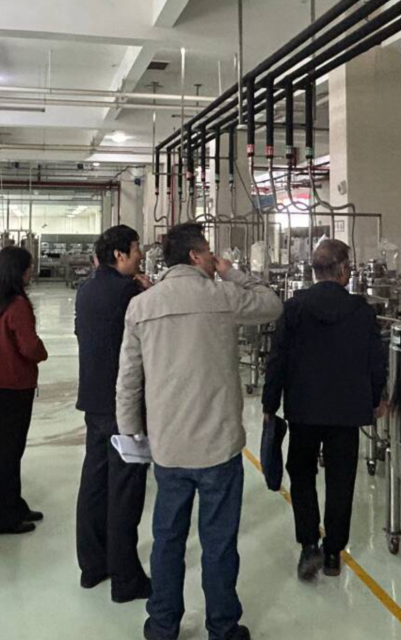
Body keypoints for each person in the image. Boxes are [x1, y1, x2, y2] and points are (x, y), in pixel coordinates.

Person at [117, 222, 282, 640]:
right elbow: (272, 304)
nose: (214, 258)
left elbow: (129, 378)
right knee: (219, 543)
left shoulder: (142, 305)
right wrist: (232, 272)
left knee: (167, 540)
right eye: (209, 252)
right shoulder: (222, 296)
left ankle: (163, 625)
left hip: (168, 445)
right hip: (218, 445)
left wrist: (131, 432)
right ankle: (223, 627)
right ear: (194, 256)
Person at [262, 239, 388, 580]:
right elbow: (376, 360)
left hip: (304, 407)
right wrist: (376, 398)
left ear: (315, 270)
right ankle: (333, 551)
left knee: (302, 473)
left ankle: (308, 545)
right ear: (344, 269)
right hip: (346, 410)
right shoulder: (361, 310)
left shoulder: (295, 308)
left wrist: (270, 403)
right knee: (341, 478)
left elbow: (277, 359)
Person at [74, 225, 153, 602]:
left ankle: (92, 566)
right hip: (124, 403)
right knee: (125, 490)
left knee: (95, 481)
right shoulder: (128, 292)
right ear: (120, 254)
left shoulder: (87, 289)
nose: (140, 255)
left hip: (93, 399)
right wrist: (150, 291)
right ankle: (126, 579)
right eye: (136, 249)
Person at [0, 246, 48, 534]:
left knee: (7, 449)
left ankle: (14, 504)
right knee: (10, 452)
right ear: (17, 271)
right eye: (28, 267)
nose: (31, 272)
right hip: (14, 384)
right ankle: (1, 518)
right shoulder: (16, 305)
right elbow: (29, 346)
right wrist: (42, 352)